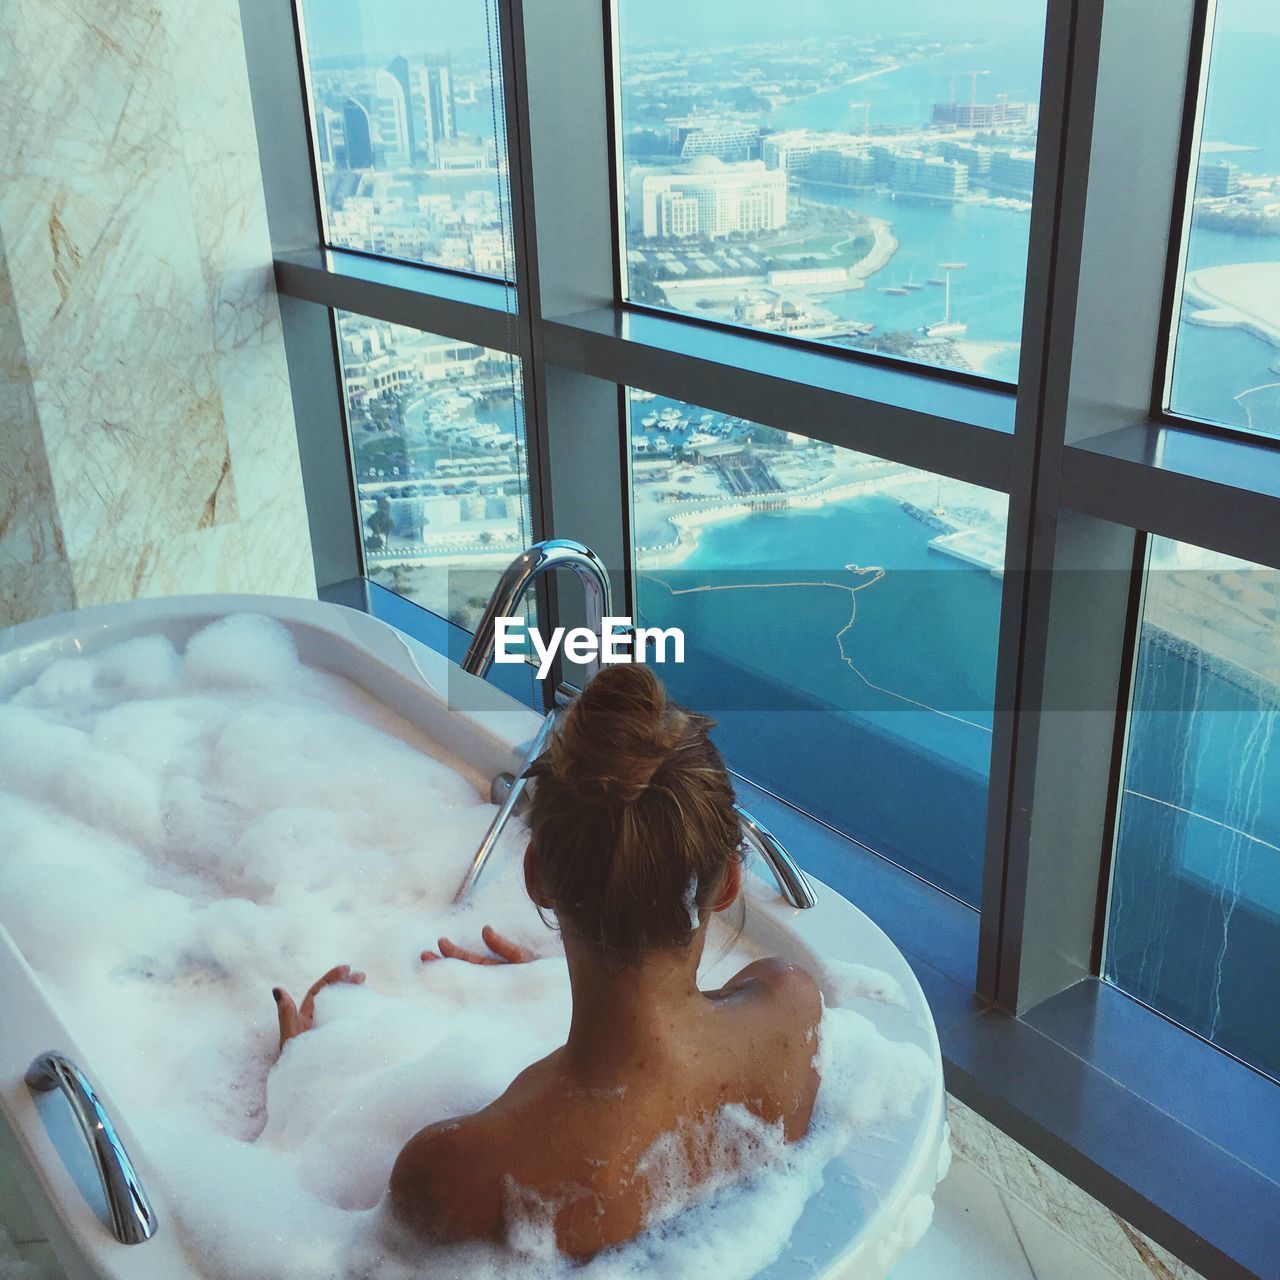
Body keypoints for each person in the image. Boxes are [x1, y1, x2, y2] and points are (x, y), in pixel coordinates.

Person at [271, 664, 822, 1260]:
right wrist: (537, 978)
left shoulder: (460, 1170)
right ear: (729, 883)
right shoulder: (792, 1010)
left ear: (536, 877)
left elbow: (315, 1253)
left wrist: (300, 1086)